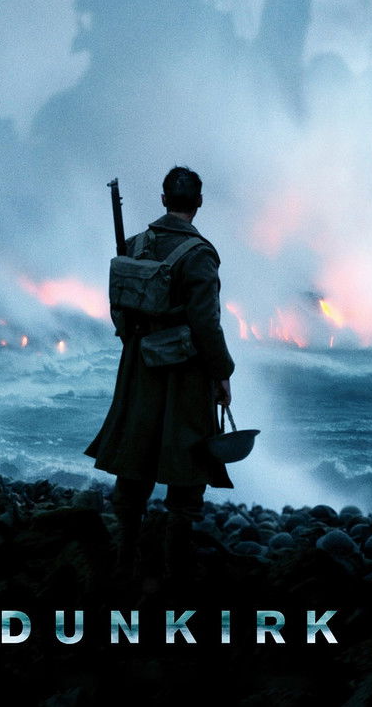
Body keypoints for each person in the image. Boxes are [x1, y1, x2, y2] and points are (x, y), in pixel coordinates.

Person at [85, 166, 235, 587]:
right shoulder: (199, 254)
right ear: (198, 202)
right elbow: (206, 323)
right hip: (184, 373)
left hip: (138, 367)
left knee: (135, 459)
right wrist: (222, 372)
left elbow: (118, 306)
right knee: (187, 465)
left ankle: (125, 562)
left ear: (164, 199)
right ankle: (175, 572)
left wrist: (135, 341)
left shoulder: (135, 244)